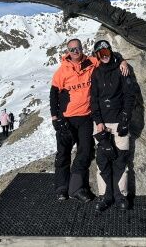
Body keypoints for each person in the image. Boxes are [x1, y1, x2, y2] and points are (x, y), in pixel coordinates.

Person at [50, 38, 129, 203]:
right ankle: (61, 188)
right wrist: (54, 117)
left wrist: (123, 61)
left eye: (78, 48)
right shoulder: (61, 71)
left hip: (86, 117)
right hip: (66, 118)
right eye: (72, 49)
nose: (75, 51)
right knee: (63, 153)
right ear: (68, 52)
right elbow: (53, 94)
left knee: (85, 152)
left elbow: (107, 57)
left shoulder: (91, 62)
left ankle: (76, 188)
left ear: (82, 49)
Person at [91, 40, 135, 212]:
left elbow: (129, 95)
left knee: (120, 160)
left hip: (120, 122)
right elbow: (93, 100)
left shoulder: (122, 70)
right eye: (101, 53)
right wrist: (98, 122)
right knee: (102, 161)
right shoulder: (95, 74)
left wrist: (125, 118)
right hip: (102, 124)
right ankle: (104, 196)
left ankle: (120, 196)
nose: (104, 55)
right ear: (97, 55)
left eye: (107, 52)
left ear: (110, 52)